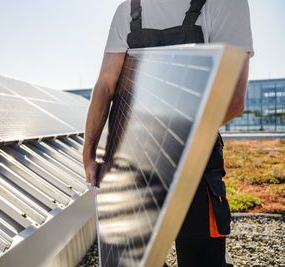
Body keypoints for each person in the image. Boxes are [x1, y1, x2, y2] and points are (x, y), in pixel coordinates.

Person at [83, 0, 254, 266]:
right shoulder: (128, 10)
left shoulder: (224, 3)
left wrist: (169, 149)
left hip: (194, 166)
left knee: (202, 260)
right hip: (133, 166)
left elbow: (233, 99)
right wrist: (89, 152)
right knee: (136, 260)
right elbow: (106, 85)